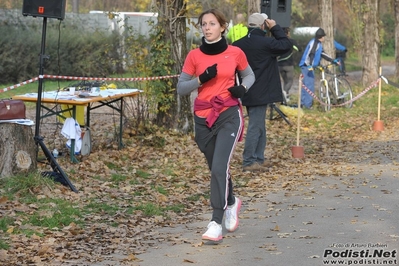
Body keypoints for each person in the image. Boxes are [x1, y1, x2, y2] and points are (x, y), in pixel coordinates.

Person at [177, 9, 255, 243]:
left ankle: (215, 221)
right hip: (203, 119)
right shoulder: (194, 56)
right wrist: (201, 79)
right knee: (216, 169)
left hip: (228, 114)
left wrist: (243, 89)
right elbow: (181, 88)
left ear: (223, 27)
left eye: (212, 23)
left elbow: (250, 76)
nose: (207, 28)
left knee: (220, 168)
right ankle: (231, 201)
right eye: (203, 24)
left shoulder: (236, 53)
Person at [233, 13, 292, 172]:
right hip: (262, 90)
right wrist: (275, 28)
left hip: (246, 89)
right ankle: (249, 161)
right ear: (262, 26)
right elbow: (287, 44)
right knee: (255, 126)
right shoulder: (267, 43)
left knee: (260, 126)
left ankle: (259, 158)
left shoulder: (238, 44)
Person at [298, 28, 339, 109]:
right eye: (324, 36)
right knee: (309, 86)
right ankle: (307, 105)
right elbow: (311, 54)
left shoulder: (318, 44)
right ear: (321, 37)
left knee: (305, 85)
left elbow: (323, 54)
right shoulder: (314, 43)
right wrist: (309, 65)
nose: (324, 38)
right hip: (307, 67)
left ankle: (302, 103)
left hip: (309, 66)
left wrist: (333, 60)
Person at [278, 27, 300, 102]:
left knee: (285, 81)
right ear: (287, 33)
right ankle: (284, 92)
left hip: (280, 65)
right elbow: (298, 48)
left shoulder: (278, 41)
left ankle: (285, 98)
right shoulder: (291, 41)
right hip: (288, 64)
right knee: (290, 81)